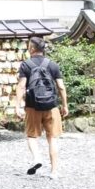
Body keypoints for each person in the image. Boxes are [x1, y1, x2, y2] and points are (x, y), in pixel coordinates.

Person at [15, 37, 70, 179]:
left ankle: (37, 158)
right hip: (51, 106)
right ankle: (54, 172)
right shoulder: (53, 65)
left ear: (32, 48)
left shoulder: (26, 65)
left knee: (31, 136)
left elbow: (21, 86)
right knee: (52, 138)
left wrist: (17, 106)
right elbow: (61, 87)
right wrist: (64, 105)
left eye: (28, 46)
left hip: (32, 107)